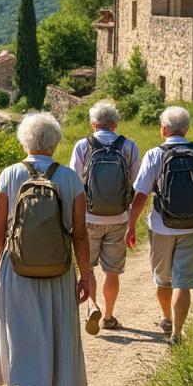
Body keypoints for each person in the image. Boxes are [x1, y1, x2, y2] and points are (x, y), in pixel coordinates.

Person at [0, 112, 94, 386]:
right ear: (55, 143)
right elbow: (79, 232)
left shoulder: (10, 175)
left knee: (23, 347)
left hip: (16, 273)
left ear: (25, 142)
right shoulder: (70, 178)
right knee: (46, 343)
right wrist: (86, 274)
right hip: (59, 273)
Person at [126, 106, 193, 344]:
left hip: (161, 226)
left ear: (164, 129)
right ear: (187, 129)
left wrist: (130, 225)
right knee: (183, 281)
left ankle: (166, 317)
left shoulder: (154, 154)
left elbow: (141, 195)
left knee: (163, 279)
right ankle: (177, 333)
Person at [68, 100, 140, 330]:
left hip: (88, 218)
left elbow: (73, 183)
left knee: (87, 268)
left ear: (93, 124)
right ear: (115, 124)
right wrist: (132, 221)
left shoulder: (83, 146)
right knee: (112, 271)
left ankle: (92, 305)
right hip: (119, 218)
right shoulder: (129, 146)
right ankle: (108, 316)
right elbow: (136, 184)